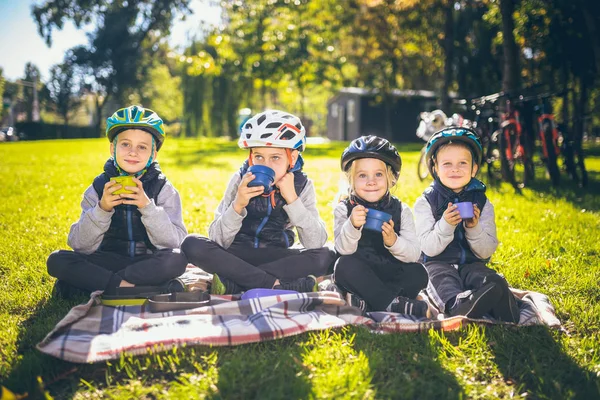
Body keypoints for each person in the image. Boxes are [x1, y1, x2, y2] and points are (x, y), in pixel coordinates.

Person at [181, 110, 335, 294]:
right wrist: (238, 205)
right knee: (191, 244)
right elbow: (217, 239)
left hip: (277, 256)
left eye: (275, 157)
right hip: (236, 255)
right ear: (250, 156)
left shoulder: (302, 186)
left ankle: (238, 283)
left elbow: (315, 242)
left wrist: (292, 199)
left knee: (328, 255)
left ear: (292, 158)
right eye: (258, 156)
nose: (265, 165)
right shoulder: (240, 180)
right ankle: (275, 284)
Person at [47, 105, 188, 298]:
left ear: (153, 155)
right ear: (113, 148)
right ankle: (142, 288)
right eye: (125, 144)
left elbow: (175, 241)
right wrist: (102, 209)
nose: (133, 152)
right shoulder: (98, 187)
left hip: (146, 262)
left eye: (142, 147)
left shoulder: (163, 188)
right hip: (107, 258)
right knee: (56, 260)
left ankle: (102, 284)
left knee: (178, 259)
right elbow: (80, 245)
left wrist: (148, 207)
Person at [414, 127, 520, 322]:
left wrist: (474, 228)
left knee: (487, 277)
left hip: (472, 262)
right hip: (438, 263)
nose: (455, 168)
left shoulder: (482, 202)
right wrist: (445, 225)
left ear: (474, 169)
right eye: (447, 163)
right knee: (441, 281)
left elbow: (486, 251)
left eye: (463, 163)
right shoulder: (425, 202)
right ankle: (458, 305)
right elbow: (427, 247)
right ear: (435, 168)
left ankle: (501, 303)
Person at [333, 135, 429, 316]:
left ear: (391, 178)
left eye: (378, 174)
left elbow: (414, 253)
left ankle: (367, 301)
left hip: (390, 272)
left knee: (419, 273)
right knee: (343, 265)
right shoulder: (343, 210)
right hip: (360, 271)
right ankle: (392, 304)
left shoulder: (402, 210)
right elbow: (342, 248)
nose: (371, 181)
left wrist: (394, 241)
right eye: (362, 175)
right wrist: (352, 226)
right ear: (351, 180)